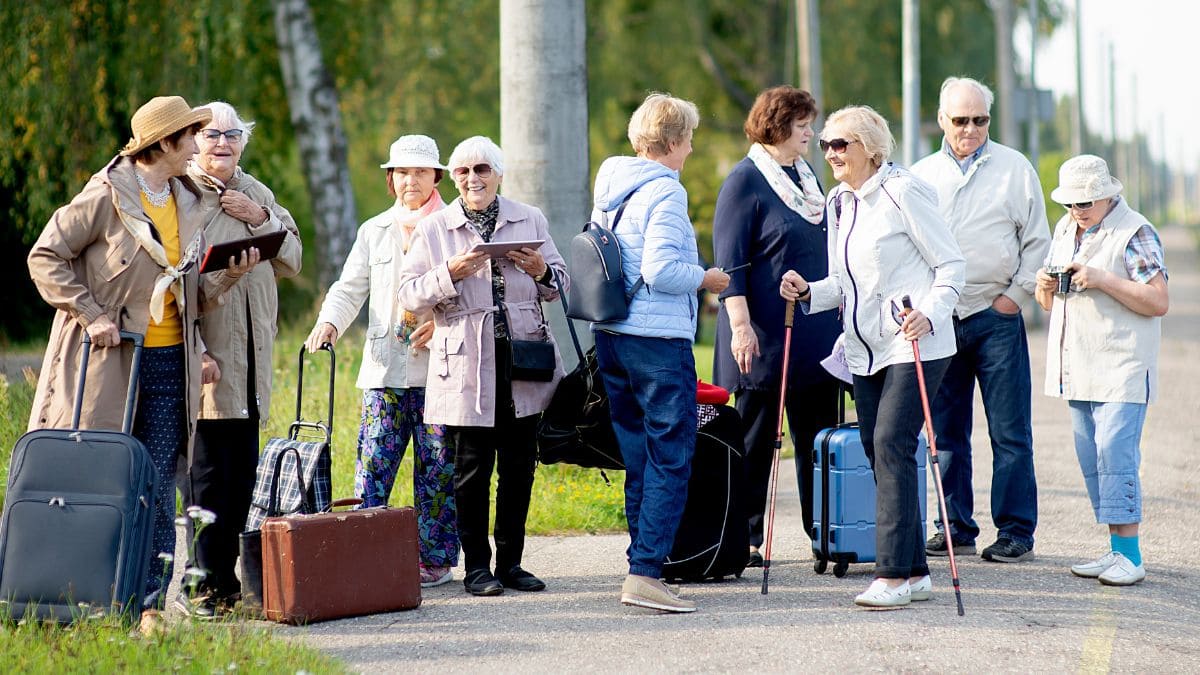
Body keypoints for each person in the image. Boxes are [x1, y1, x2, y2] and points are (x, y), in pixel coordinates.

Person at [26, 96, 258, 615]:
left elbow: (187, 292)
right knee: (104, 480)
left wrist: (230, 275)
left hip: (170, 362)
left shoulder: (188, 198)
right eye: (192, 134)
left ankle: (148, 604)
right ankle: (87, 596)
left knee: (155, 484)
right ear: (165, 144)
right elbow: (44, 256)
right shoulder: (106, 195)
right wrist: (90, 313)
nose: (202, 142)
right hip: (110, 366)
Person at [780, 106, 964, 608]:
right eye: (826, 145)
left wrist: (929, 312)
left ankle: (891, 576)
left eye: (842, 144)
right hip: (863, 349)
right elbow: (844, 282)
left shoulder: (903, 191)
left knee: (890, 440)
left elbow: (951, 264)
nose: (831, 153)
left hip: (914, 340)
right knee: (875, 445)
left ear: (872, 149)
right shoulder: (839, 201)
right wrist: (808, 292)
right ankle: (917, 571)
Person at [397, 136, 568, 597]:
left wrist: (539, 270)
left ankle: (512, 564)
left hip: (522, 358)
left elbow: (560, 284)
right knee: (470, 468)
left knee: (519, 467)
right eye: (463, 172)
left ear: (498, 174)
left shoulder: (528, 218)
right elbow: (409, 294)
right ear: (452, 178)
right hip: (466, 361)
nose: (473, 179)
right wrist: (450, 271)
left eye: (482, 170)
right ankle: (477, 568)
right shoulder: (436, 229)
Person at [591, 93, 730, 614]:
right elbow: (660, 272)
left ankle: (640, 564)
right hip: (656, 341)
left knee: (637, 457)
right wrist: (707, 278)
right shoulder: (666, 194)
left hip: (613, 336)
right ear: (672, 143)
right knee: (671, 454)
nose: (691, 149)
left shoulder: (608, 188)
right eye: (689, 139)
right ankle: (647, 573)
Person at [306, 134, 460, 589]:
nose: (409, 181)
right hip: (384, 369)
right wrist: (329, 322)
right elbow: (349, 286)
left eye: (419, 172)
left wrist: (444, 327)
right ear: (390, 180)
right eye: (401, 173)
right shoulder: (374, 229)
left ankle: (435, 560)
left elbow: (473, 294)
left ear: (436, 177)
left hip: (439, 371)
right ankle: (362, 551)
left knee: (437, 470)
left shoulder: (456, 226)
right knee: (372, 464)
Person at [911, 77, 1050, 564]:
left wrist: (1015, 298)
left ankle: (1015, 531)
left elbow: (1037, 241)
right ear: (941, 120)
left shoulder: (1015, 168)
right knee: (945, 433)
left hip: (996, 314)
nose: (970, 128)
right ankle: (953, 525)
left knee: (1010, 432)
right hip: (942, 320)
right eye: (960, 120)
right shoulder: (920, 174)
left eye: (980, 119)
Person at [174, 101, 303, 618]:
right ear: (193, 142)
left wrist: (263, 219)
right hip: (209, 362)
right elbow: (175, 286)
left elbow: (292, 257)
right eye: (210, 135)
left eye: (231, 135)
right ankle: (199, 587)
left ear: (243, 143)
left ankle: (226, 588)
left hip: (253, 364)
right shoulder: (180, 196)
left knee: (240, 480)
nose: (221, 143)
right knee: (204, 479)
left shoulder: (257, 192)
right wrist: (199, 350)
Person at [711, 85, 841, 565]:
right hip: (763, 337)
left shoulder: (809, 179)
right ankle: (742, 539)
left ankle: (826, 532)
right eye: (803, 123)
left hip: (816, 336)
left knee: (817, 440)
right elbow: (730, 263)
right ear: (778, 125)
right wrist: (741, 326)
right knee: (755, 442)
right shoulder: (745, 180)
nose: (812, 131)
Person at [1036, 155, 1168, 586]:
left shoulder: (1136, 231)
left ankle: (1131, 556)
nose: (1079, 209)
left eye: (1088, 201)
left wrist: (1101, 278)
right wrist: (1044, 288)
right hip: (1077, 365)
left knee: (1116, 454)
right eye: (1072, 203)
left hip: (1121, 365)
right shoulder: (1064, 229)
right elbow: (1050, 305)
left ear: (1111, 194)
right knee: (1093, 459)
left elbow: (1158, 301)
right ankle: (1115, 551)